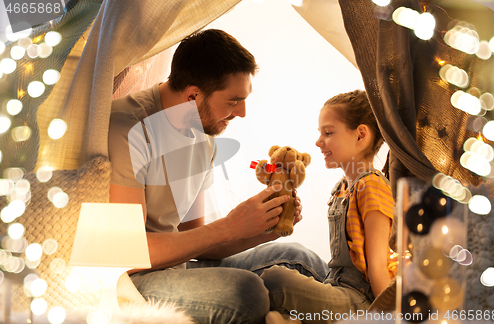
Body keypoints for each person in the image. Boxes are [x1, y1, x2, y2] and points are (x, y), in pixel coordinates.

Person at [108, 29, 329, 323]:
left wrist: (264, 226)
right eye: (233, 101)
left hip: (177, 268)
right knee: (247, 293)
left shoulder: (203, 133)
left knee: (301, 259)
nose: (243, 112)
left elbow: (193, 238)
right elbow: (127, 252)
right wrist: (229, 226)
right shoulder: (128, 129)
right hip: (133, 278)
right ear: (193, 95)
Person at [260, 90, 397, 323]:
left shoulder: (372, 187)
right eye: (320, 133)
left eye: (328, 133)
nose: (318, 142)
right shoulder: (342, 188)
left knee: (274, 279)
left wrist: (388, 317)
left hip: (360, 299)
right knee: (279, 289)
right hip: (335, 284)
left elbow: (377, 266)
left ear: (360, 135)